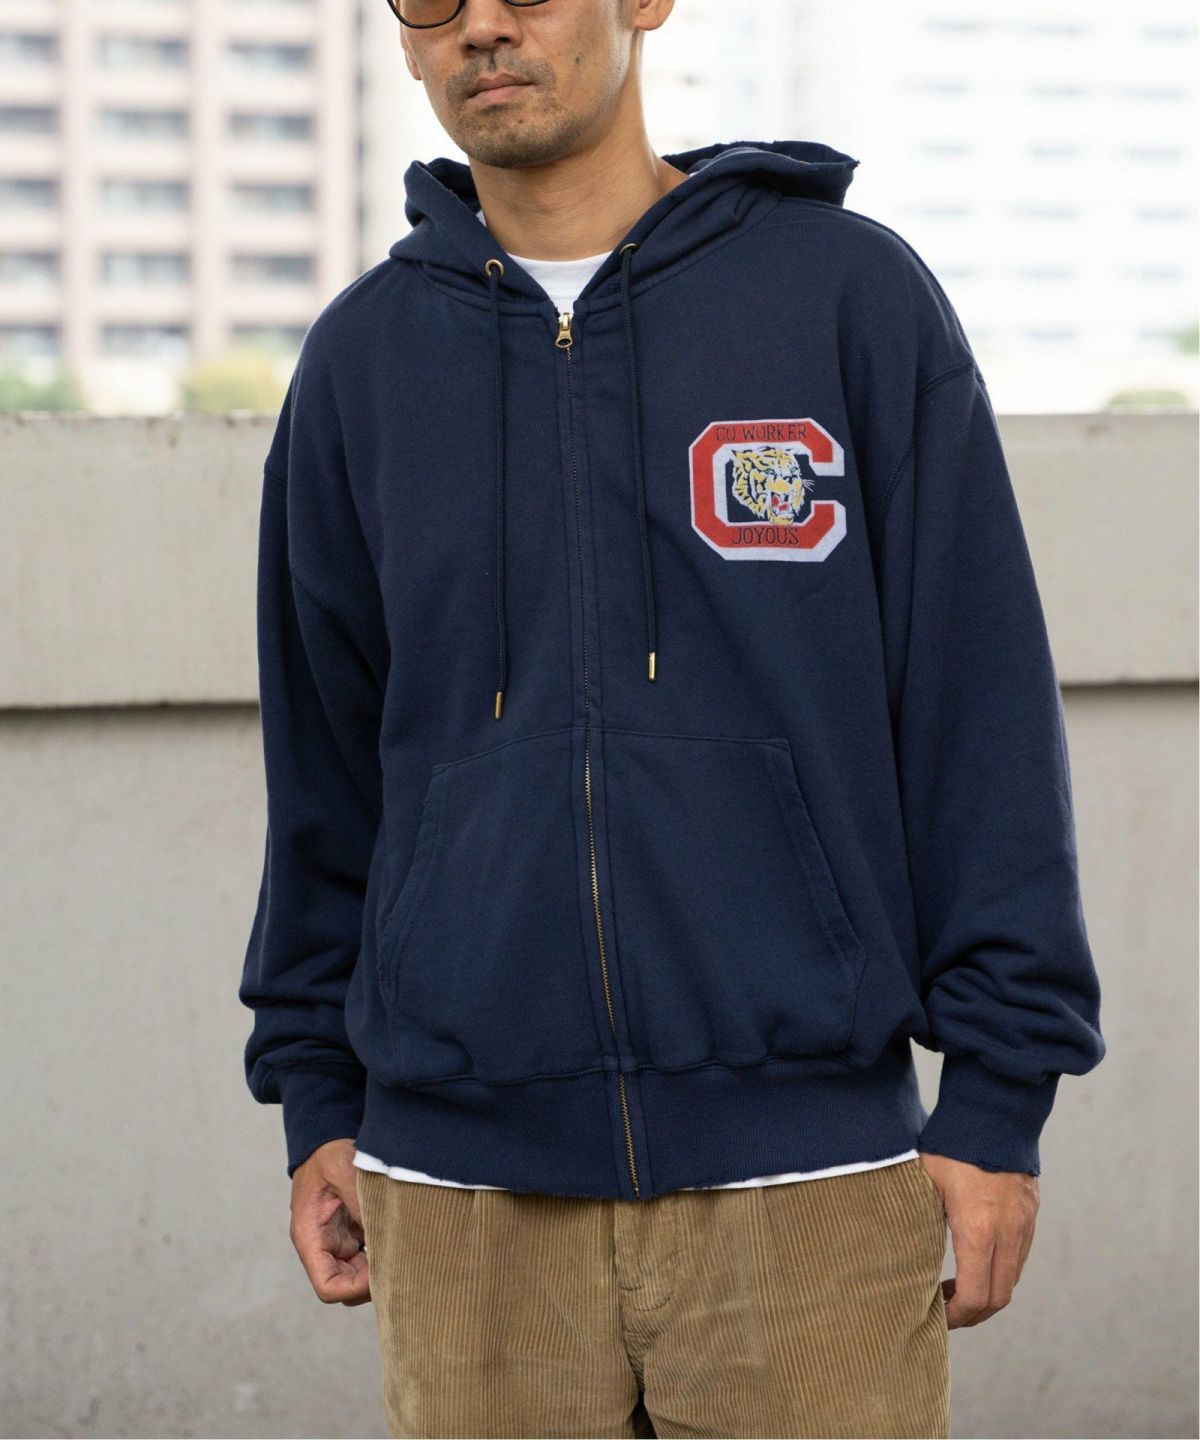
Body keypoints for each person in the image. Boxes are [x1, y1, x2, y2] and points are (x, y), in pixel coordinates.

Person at [238, 1, 1107, 1435]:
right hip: (465, 1201)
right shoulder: (362, 362)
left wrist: (999, 1100)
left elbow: (981, 724)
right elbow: (323, 779)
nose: (483, 26)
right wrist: (317, 1101)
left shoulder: (845, 299)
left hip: (811, 1187)